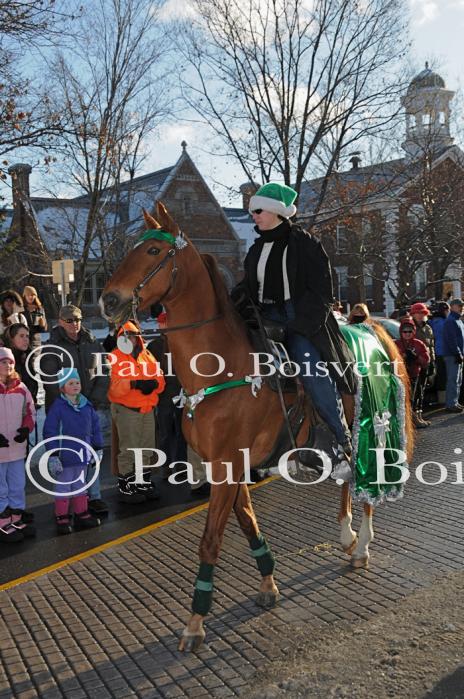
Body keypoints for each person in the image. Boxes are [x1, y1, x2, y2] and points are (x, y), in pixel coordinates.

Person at [231, 182, 356, 464]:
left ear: (276, 212)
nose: (254, 216)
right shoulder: (256, 250)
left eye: (259, 210)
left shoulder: (306, 244)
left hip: (300, 320)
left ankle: (340, 437)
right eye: (253, 212)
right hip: (264, 319)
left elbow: (323, 292)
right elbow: (248, 289)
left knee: (311, 369)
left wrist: (297, 326)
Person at [41, 304, 110, 516]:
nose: (75, 324)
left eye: (78, 319)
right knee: (70, 458)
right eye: (70, 320)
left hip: (90, 407)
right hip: (65, 412)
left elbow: (104, 371)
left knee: (91, 454)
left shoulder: (92, 341)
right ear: (60, 321)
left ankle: (94, 496)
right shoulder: (52, 347)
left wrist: (93, 401)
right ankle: (70, 499)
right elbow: (50, 381)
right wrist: (67, 405)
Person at [108, 321, 165, 502]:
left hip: (147, 409)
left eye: (132, 335)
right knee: (128, 451)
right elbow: (114, 389)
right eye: (125, 336)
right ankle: (127, 488)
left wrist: (154, 384)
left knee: (146, 449)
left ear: (137, 337)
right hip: (127, 410)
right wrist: (135, 383)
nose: (129, 339)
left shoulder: (147, 355)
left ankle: (142, 483)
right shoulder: (114, 357)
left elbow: (160, 379)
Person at [43, 369, 103, 535]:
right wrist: (53, 454)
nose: (75, 385)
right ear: (62, 388)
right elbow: (50, 431)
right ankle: (62, 516)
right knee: (63, 486)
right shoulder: (58, 408)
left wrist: (97, 448)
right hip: (65, 456)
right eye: (71, 383)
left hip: (83, 454)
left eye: (77, 382)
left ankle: (81, 513)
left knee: (80, 486)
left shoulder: (86, 405)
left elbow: (95, 428)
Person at [0, 347, 36, 543]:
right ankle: (2, 522)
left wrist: (25, 429)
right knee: (0, 488)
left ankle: (16, 518)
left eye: (10, 362)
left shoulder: (21, 388)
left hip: (16, 449)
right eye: (3, 362)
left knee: (17, 485)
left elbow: (30, 412)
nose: (8, 365)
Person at [395, 316, 430, 427]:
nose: (407, 333)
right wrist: (402, 357)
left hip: (416, 375)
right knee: (404, 399)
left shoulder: (418, 343)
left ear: (414, 331)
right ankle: (409, 421)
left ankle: (417, 418)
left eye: (410, 331)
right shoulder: (396, 344)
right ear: (401, 332)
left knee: (417, 397)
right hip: (400, 376)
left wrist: (416, 357)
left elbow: (426, 361)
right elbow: (390, 360)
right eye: (405, 331)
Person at [410, 302, 436, 422]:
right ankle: (414, 416)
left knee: (422, 389)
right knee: (415, 391)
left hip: (427, 362)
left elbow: (431, 346)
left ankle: (419, 415)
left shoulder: (428, 328)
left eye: (423, 313)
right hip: (415, 363)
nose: (420, 315)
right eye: (418, 313)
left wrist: (432, 362)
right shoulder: (410, 328)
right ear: (413, 314)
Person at [3, 323, 39, 406]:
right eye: (21, 336)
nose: (26, 339)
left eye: (27, 336)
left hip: (28, 409)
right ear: (11, 339)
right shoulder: (3, 361)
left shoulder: (27, 357)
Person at [442, 298, 464, 413]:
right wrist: (457, 353)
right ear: (453, 307)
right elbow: (452, 340)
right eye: (459, 305)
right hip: (452, 355)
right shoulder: (451, 321)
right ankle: (450, 404)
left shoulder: (457, 320)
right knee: (453, 379)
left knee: (458, 380)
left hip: (457, 354)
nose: (462, 307)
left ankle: (454, 402)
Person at [428, 302, 450, 405]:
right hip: (445, 352)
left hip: (435, 352)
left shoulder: (432, 322)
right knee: (445, 376)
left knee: (440, 375)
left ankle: (441, 398)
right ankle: (444, 399)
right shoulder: (445, 323)